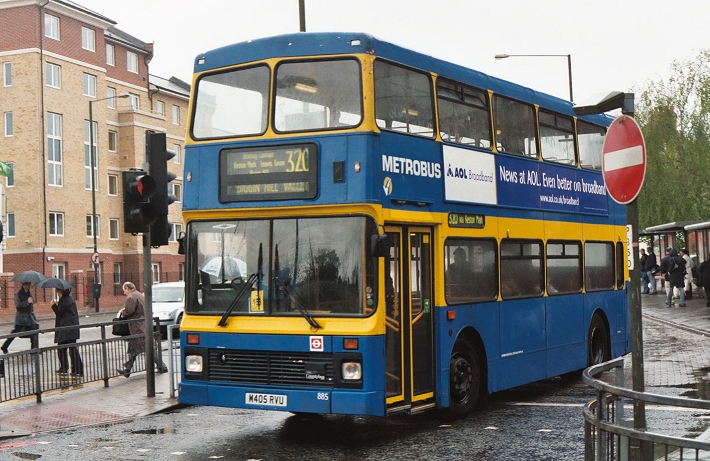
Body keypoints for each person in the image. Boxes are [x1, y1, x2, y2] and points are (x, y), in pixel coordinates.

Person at [117, 282, 168, 377]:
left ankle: (162, 366)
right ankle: (127, 370)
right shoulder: (139, 295)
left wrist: (123, 313)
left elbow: (129, 311)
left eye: (124, 290)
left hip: (137, 327)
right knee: (134, 347)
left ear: (127, 288)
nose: (124, 292)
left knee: (147, 348)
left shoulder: (131, 297)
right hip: (143, 325)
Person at [51, 288, 83, 376]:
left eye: (58, 291)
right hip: (71, 328)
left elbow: (59, 312)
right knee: (67, 348)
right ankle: (74, 368)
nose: (57, 293)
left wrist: (53, 305)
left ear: (61, 291)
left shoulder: (64, 300)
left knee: (65, 348)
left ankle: (70, 368)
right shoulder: (69, 299)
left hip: (66, 328)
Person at [1, 282, 39, 353]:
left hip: (29, 317)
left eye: (30, 284)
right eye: (28, 284)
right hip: (21, 318)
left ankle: (34, 349)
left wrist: (32, 301)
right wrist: (27, 302)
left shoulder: (29, 292)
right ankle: (4, 346)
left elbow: (30, 305)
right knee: (15, 333)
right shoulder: (18, 293)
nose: (29, 286)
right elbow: (18, 305)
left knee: (35, 331)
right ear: (24, 285)